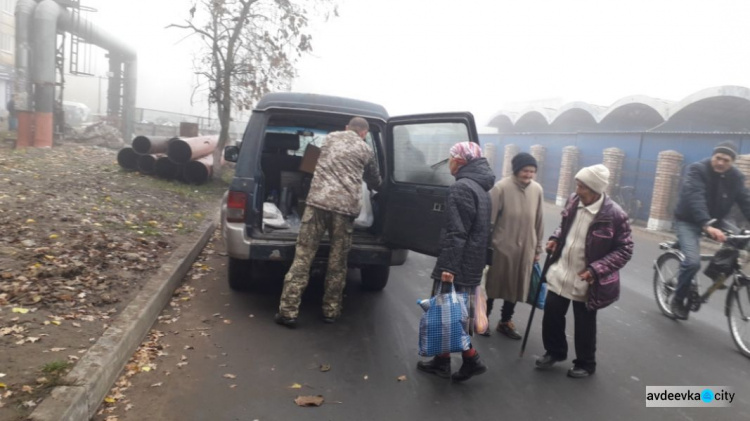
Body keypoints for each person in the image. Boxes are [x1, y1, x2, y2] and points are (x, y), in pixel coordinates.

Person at [274, 116, 381, 328]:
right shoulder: (366, 150)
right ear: (364, 133)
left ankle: (288, 312)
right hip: (344, 210)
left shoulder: (330, 139)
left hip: (317, 205)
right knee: (337, 262)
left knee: (303, 257)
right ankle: (330, 311)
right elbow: (374, 179)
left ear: (346, 128)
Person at [536, 164, 633, 378]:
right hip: (562, 269)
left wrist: (596, 269)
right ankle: (554, 352)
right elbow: (564, 226)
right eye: (577, 185)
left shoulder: (614, 215)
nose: (577, 190)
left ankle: (586, 363)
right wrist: (555, 238)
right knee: (552, 313)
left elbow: (625, 249)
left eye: (582, 187)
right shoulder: (574, 201)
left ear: (596, 190)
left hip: (587, 277)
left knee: (584, 323)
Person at [416, 141, 495, 382]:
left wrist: (448, 266)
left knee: (449, 314)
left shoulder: (461, 188)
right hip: (471, 261)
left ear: (460, 161)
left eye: (450, 157)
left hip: (458, 263)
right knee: (450, 311)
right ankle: (442, 361)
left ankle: (472, 359)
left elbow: (457, 232)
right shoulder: (481, 189)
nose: (448, 162)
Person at [670, 140, 750, 320]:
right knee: (692, 263)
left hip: (717, 220)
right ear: (712, 156)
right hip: (689, 220)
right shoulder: (697, 170)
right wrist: (706, 225)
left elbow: (746, 201)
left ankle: (715, 271)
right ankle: (678, 299)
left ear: (733, 162)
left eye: (726, 160)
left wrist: (713, 224)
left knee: (740, 242)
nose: (721, 162)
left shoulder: (736, 177)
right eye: (718, 158)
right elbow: (695, 196)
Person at [482, 152, 544, 339]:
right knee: (493, 285)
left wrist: (538, 248)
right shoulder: (501, 188)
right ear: (517, 170)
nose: (529, 175)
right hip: (501, 248)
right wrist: (486, 246)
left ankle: (505, 321)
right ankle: (483, 320)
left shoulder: (537, 190)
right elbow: (489, 221)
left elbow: (539, 221)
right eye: (525, 170)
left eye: (532, 171)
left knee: (516, 288)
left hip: (526, 249)